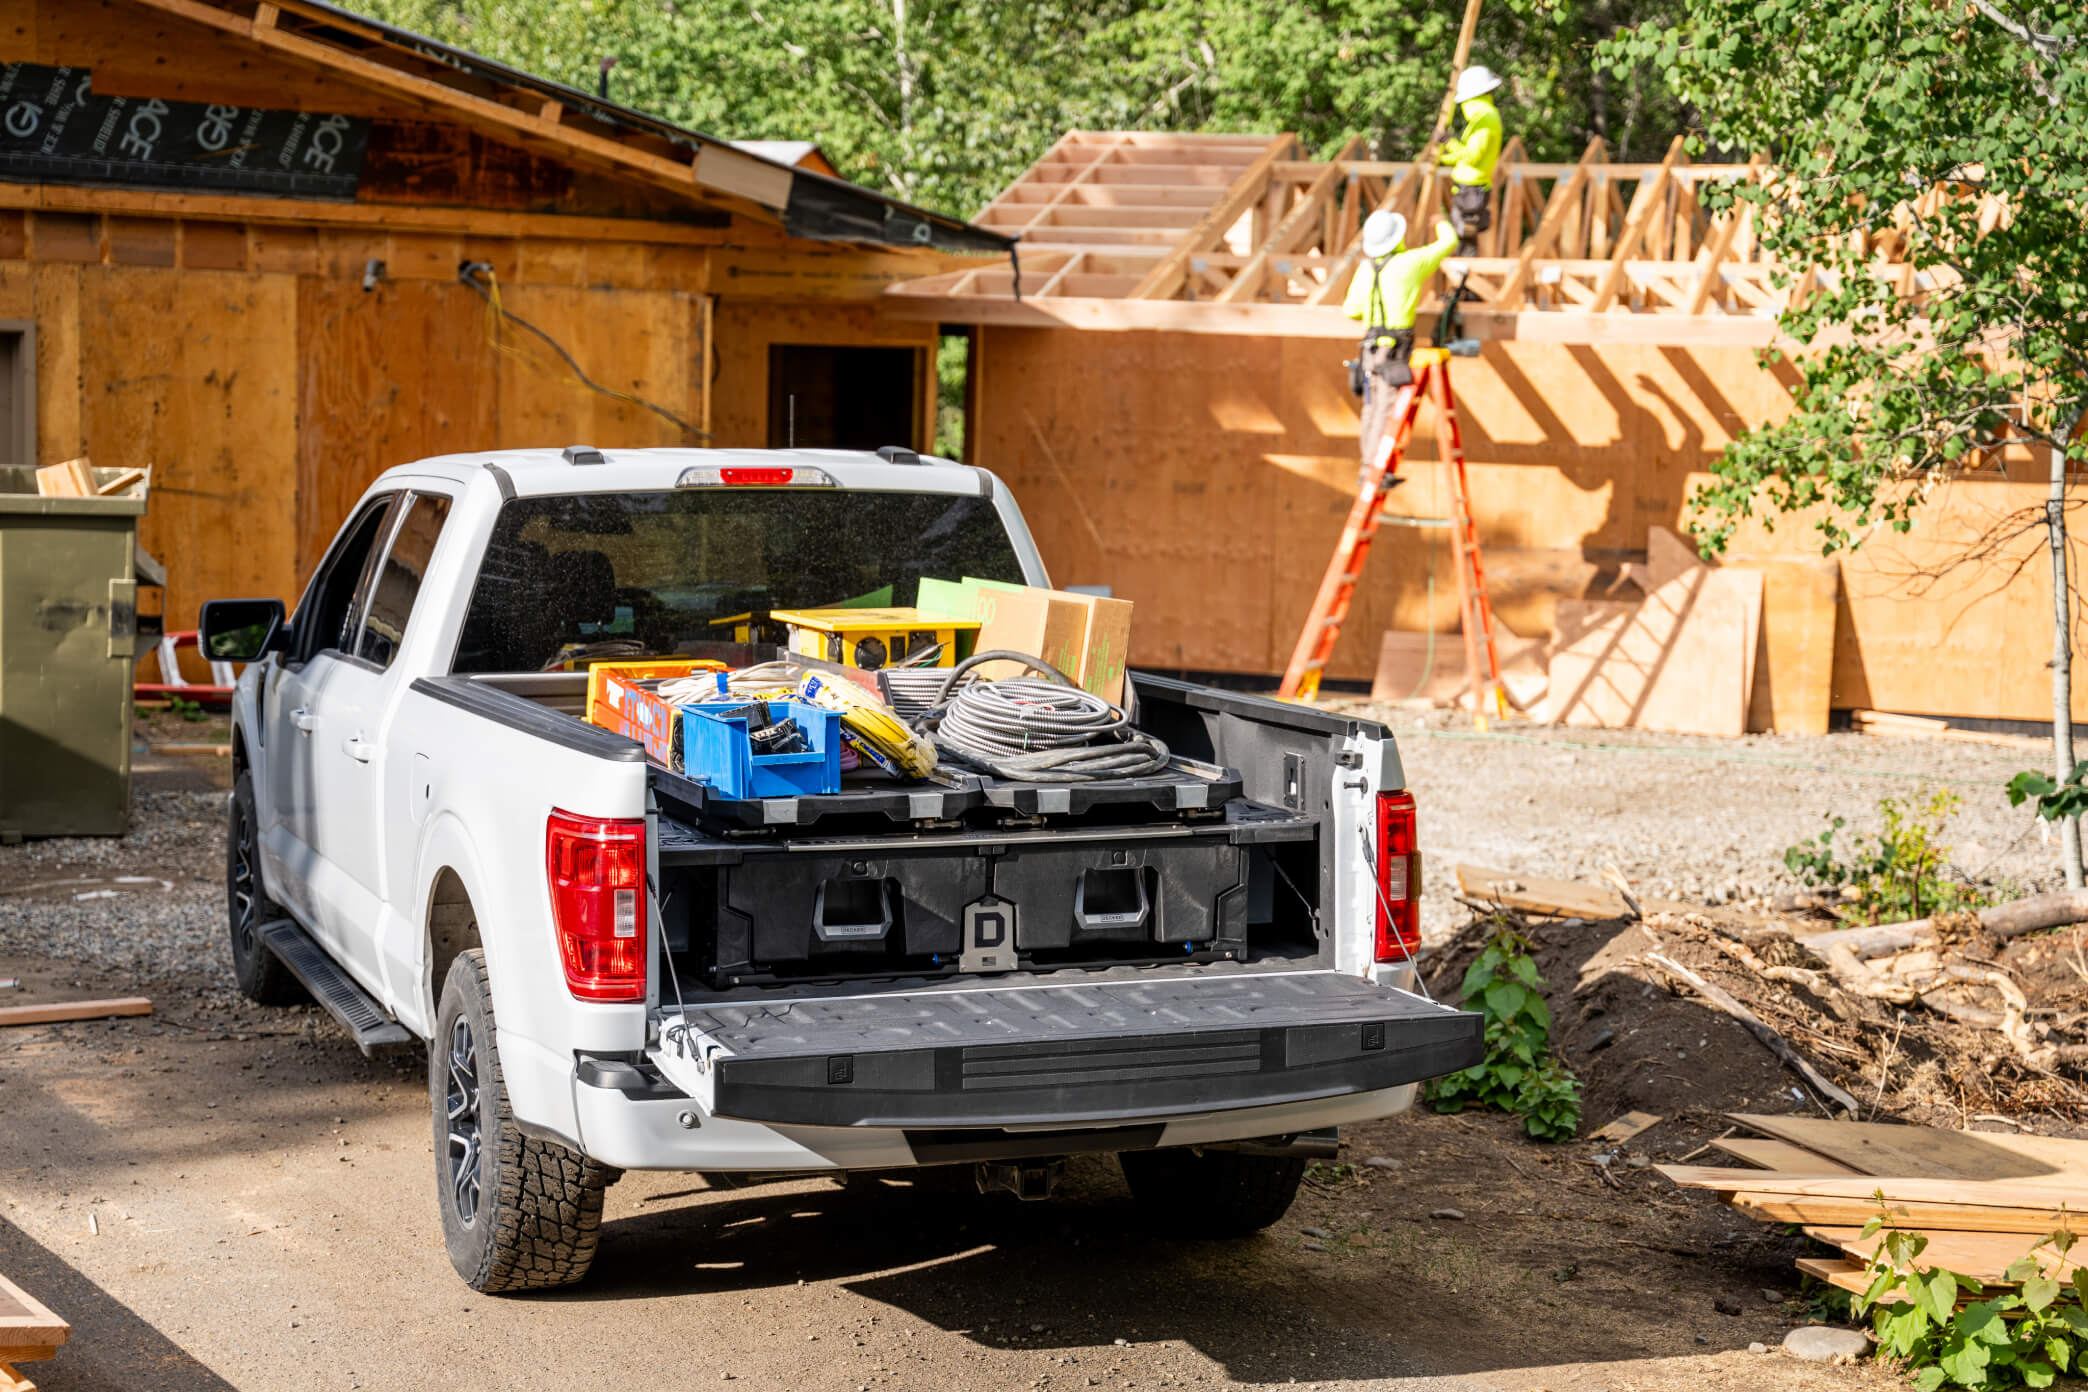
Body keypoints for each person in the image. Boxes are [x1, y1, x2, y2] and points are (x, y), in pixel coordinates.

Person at [1343, 211, 1459, 469]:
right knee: (1384, 408)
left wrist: (1374, 309)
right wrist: (1439, 221)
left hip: (1369, 350)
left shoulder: (1365, 268)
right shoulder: (1409, 262)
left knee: (1371, 408)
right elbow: (1448, 242)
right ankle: (1376, 470)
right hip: (1394, 350)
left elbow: (1351, 310)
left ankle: (1367, 469)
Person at [1436, 65, 1504, 256]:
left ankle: (1464, 280)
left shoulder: (1485, 119)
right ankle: (1464, 280)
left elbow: (1472, 157)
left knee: (1465, 236)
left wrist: (1448, 142)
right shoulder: (1483, 118)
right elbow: (1466, 156)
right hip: (1469, 189)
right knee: (1465, 236)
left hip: (1472, 190)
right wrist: (1443, 158)